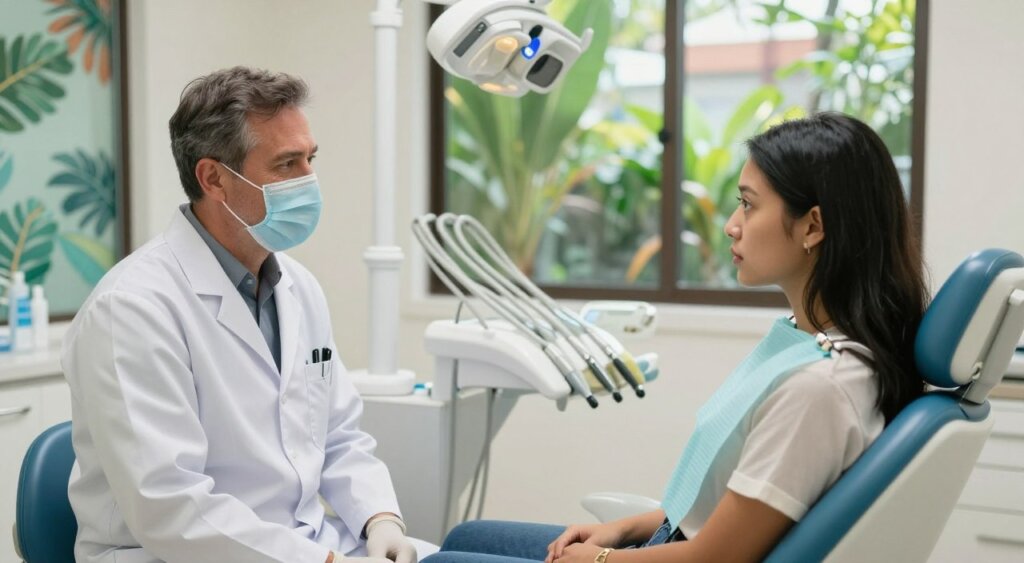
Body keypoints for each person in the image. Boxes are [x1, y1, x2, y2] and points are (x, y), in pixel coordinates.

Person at [421, 112, 928, 563]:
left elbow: (717, 556)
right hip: (664, 540)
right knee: (468, 535)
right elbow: (718, 507)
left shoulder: (820, 389)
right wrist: (622, 530)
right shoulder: (806, 343)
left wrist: (599, 561)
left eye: (749, 206)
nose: (732, 226)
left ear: (812, 226)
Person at [62, 66, 424, 563]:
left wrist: (379, 518)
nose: (308, 182)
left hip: (311, 546)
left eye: (310, 159)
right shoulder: (131, 309)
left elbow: (337, 435)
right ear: (213, 178)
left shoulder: (298, 287)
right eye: (286, 164)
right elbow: (171, 508)